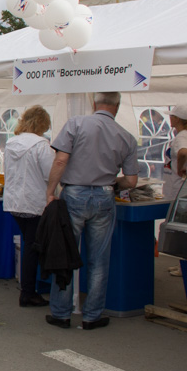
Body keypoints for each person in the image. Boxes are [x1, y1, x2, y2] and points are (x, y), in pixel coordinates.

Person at [45, 92, 139, 330]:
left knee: (65, 253)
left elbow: (60, 160)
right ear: (116, 107)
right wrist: (113, 183)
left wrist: (50, 192)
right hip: (104, 195)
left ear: (94, 103)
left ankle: (61, 313)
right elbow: (131, 180)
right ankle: (92, 316)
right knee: (99, 260)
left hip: (74, 193)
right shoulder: (126, 137)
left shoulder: (76, 123)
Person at [3, 105, 55, 307]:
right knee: (34, 246)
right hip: (34, 201)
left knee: (29, 244)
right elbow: (50, 174)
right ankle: (28, 291)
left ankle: (29, 288)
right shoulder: (42, 145)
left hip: (15, 201)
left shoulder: (11, 143)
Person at [163, 104, 187, 201]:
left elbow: (183, 152)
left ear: (177, 119)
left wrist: (180, 168)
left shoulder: (181, 136)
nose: (170, 118)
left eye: (172, 116)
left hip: (177, 187)